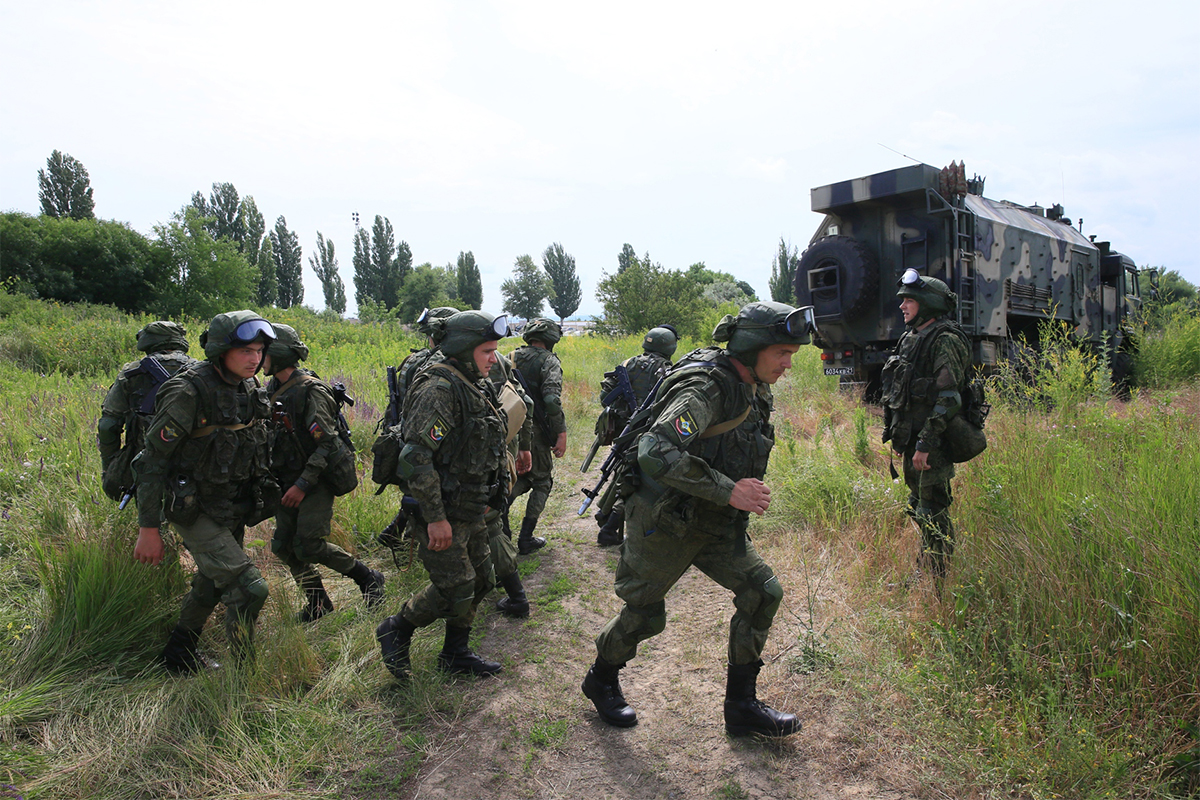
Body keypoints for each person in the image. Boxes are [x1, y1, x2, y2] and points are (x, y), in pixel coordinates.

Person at [581, 301, 811, 738]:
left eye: (792, 355)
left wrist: (729, 497)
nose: (787, 363)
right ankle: (601, 678)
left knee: (763, 593)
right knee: (646, 616)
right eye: (781, 352)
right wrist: (731, 490)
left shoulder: (753, 384)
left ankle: (741, 706)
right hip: (665, 520)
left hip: (715, 522)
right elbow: (655, 451)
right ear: (753, 347)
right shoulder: (706, 387)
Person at [133, 311, 280, 673]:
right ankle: (244, 677)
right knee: (249, 589)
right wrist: (148, 529)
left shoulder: (248, 388)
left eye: (259, 350)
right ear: (220, 350)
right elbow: (150, 463)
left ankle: (177, 654)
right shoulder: (188, 391)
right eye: (245, 350)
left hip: (227, 503)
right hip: (191, 507)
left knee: (212, 583)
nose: (254, 359)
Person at [375, 310, 510, 682]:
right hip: (442, 509)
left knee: (483, 577)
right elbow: (415, 458)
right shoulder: (440, 388)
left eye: (494, 350)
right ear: (466, 349)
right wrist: (435, 518)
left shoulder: (474, 383)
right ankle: (397, 627)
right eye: (486, 351)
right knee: (457, 585)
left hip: (469, 506)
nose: (493, 359)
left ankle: (455, 652)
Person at [263, 324, 385, 622]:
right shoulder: (269, 390)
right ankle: (318, 603)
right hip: (286, 478)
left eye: (262, 352)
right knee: (283, 545)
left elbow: (327, 444)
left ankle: (368, 577)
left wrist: (303, 484)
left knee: (309, 544)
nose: (257, 358)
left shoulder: (310, 390)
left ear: (278, 354)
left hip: (315, 479)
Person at [880, 270, 971, 582]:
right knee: (919, 506)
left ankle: (938, 583)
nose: (903, 306)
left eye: (910, 300)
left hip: (932, 443)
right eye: (903, 300)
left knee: (933, 511)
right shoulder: (912, 337)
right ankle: (925, 571)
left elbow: (949, 398)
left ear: (928, 303)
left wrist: (926, 444)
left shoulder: (945, 340)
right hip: (913, 440)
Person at [377, 307, 459, 543]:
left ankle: (404, 531)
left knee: (416, 488)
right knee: (430, 488)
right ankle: (421, 538)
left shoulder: (414, 359)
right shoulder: (442, 364)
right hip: (427, 438)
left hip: (404, 433)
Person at [593, 324, 678, 546]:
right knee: (636, 479)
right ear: (670, 346)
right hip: (646, 431)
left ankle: (606, 514)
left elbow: (605, 397)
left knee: (622, 472)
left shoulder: (628, 363)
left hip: (624, 429)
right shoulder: (667, 370)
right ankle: (610, 525)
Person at [97, 321, 197, 503]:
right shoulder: (201, 371)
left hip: (145, 457)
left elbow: (108, 425)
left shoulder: (132, 373)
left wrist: (110, 466)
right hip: (196, 457)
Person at [508, 318, 567, 554]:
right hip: (537, 432)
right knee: (542, 481)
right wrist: (560, 432)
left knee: (517, 476)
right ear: (552, 339)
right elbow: (552, 399)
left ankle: (499, 517)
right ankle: (526, 538)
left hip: (511, 430)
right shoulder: (549, 361)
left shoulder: (509, 356)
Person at [487, 349, 535, 617]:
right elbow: (524, 401)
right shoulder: (497, 360)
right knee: (495, 521)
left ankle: (513, 593)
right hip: (501, 453)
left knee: (493, 523)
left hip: (490, 457)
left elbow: (522, 402)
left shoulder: (475, 365)